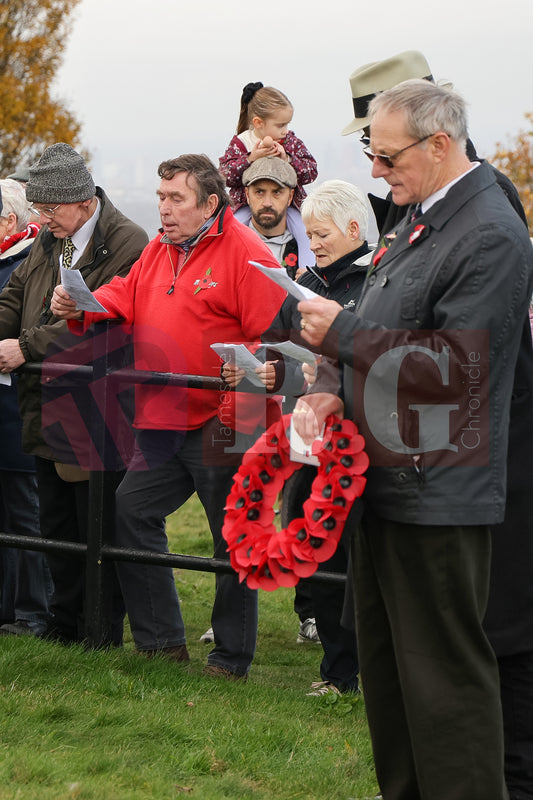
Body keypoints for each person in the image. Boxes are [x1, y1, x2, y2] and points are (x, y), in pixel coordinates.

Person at [293, 80, 533, 800]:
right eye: (371, 151)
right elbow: (380, 309)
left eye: (386, 154)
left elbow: (454, 375)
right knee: (391, 679)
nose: (375, 169)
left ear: (438, 143)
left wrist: (339, 333)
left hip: (440, 492)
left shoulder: (488, 230)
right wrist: (332, 382)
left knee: (444, 686)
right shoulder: (417, 214)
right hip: (385, 481)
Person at [51, 153, 287, 681]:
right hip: (163, 414)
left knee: (231, 537)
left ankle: (230, 659)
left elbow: (274, 334)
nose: (164, 209)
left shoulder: (246, 253)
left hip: (227, 418)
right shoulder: (158, 249)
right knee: (131, 512)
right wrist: (81, 303)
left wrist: (246, 374)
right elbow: (125, 294)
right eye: (160, 197)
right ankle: (160, 644)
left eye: (176, 199)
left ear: (209, 203)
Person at [0, 143, 149, 645]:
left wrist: (23, 348)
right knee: (57, 524)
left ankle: (100, 630)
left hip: (97, 410)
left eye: (50, 209)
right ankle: (64, 628)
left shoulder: (127, 241)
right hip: (44, 404)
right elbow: (17, 295)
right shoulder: (52, 237)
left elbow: (98, 329)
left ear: (83, 200)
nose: (42, 219)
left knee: (97, 528)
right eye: (38, 209)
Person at [263, 179, 373, 695]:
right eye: (310, 233)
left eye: (324, 233)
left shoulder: (375, 282)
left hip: (360, 441)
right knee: (318, 552)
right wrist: (275, 370)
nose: (316, 242)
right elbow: (278, 343)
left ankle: (362, 670)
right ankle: (336, 670)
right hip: (308, 439)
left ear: (355, 228)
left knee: (359, 562)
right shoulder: (305, 280)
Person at [0, 179, 52, 636]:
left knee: (27, 516)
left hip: (18, 417)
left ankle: (35, 612)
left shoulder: (27, 264)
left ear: (9, 221)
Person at [219, 82, 317, 267]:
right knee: (230, 231)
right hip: (246, 204)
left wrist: (287, 159)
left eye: (287, 124)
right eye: (280, 125)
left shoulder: (290, 142)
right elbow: (224, 175)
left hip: (289, 206)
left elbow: (311, 171)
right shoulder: (242, 143)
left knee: (305, 232)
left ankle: (307, 271)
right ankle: (226, 266)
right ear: (258, 123)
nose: (285, 130)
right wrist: (250, 159)